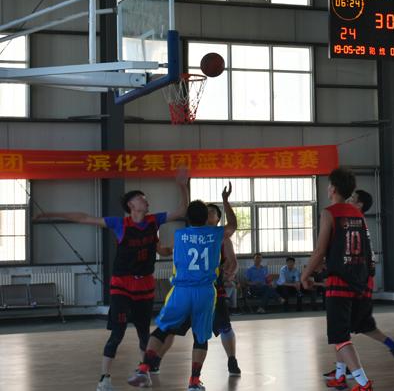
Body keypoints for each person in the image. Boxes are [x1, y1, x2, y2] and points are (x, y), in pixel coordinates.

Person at [33, 168, 189, 391]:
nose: (145, 200)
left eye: (145, 198)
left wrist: (182, 186)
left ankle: (143, 372)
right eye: (141, 198)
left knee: (144, 333)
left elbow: (182, 210)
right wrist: (53, 213)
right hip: (122, 284)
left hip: (145, 284)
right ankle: (104, 379)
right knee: (118, 333)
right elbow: (85, 218)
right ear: (131, 205)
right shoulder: (120, 224)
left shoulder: (154, 221)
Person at [128, 199, 235, 390]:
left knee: (162, 329)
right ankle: (194, 381)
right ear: (207, 217)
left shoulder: (179, 235)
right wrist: (226, 201)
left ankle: (144, 369)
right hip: (205, 292)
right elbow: (233, 225)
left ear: (188, 217)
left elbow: (167, 251)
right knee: (200, 337)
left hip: (181, 291)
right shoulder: (216, 234)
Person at [149, 188, 243, 378]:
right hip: (194, 291)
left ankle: (232, 360)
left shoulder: (221, 237)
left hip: (212, 289)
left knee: (224, 327)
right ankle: (156, 361)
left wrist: (230, 273)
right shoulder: (187, 236)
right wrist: (157, 246)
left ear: (217, 219)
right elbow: (167, 251)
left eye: (212, 211)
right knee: (173, 330)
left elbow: (233, 262)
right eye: (206, 210)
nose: (208, 212)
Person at [320, 189, 394, 382]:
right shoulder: (354, 220)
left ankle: (350, 372)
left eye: (352, 198)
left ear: (359, 205)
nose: (349, 200)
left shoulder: (354, 221)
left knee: (346, 328)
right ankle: (342, 370)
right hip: (357, 279)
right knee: (345, 328)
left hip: (359, 281)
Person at [299, 168, 375, 391]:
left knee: (340, 337)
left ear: (333, 189)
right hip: (359, 283)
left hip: (339, 284)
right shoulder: (358, 214)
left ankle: (364, 384)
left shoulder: (329, 212)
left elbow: (320, 250)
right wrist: (329, 262)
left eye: (329, 184)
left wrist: (305, 275)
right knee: (341, 334)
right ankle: (340, 376)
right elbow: (354, 251)